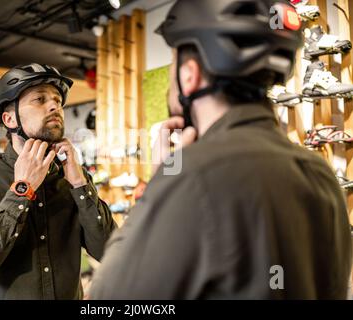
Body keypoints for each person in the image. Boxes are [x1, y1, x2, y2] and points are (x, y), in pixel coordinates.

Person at [90, 0, 352, 299]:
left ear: (189, 76)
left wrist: (160, 183)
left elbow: (109, 299)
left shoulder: (192, 176)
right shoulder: (320, 173)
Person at [0, 63, 116, 299]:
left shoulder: (73, 177)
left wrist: (80, 184)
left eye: (57, 100)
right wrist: (22, 189)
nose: (54, 106)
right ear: (9, 119)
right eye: (39, 99)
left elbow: (109, 253)